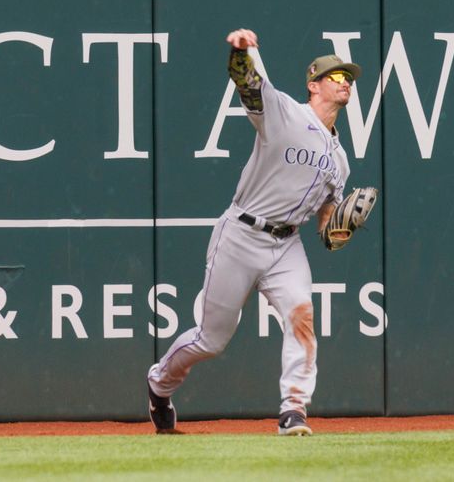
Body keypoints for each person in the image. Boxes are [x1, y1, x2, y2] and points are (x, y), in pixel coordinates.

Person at [146, 28, 361, 436]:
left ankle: (294, 410)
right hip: (242, 233)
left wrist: (338, 227)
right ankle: (159, 384)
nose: (345, 82)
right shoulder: (286, 114)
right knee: (211, 340)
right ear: (313, 85)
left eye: (348, 77)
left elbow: (326, 219)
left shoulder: (341, 161)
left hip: (287, 244)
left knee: (302, 315)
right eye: (336, 77)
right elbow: (250, 84)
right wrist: (242, 54)